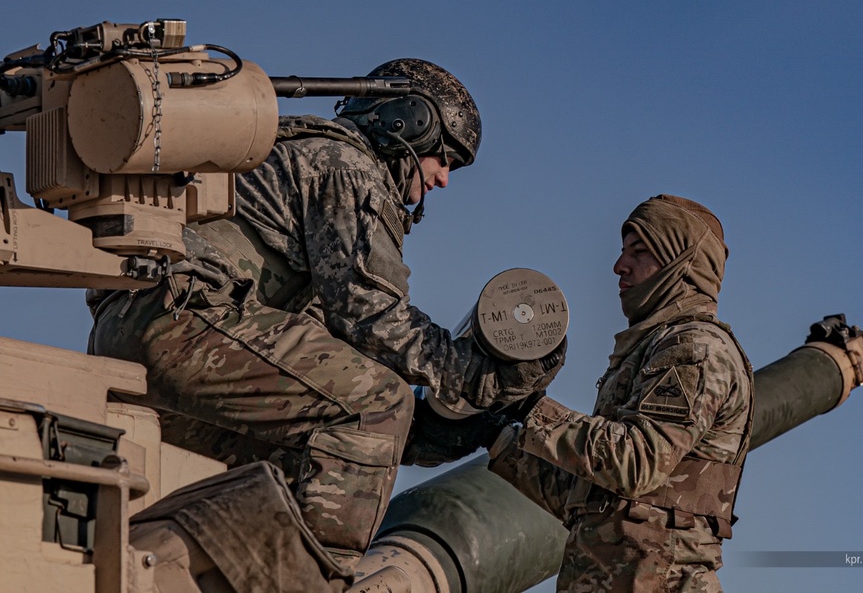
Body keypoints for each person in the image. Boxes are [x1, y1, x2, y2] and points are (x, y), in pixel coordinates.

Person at [86, 58, 564, 590]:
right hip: (186, 321)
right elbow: (370, 314)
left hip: (157, 333)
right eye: (443, 157)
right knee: (377, 402)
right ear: (406, 123)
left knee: (317, 448)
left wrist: (466, 425)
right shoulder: (345, 166)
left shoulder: (309, 172)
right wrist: (474, 375)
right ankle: (320, 581)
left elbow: (351, 405)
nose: (443, 179)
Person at [487, 194, 753, 592]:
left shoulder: (694, 349)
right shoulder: (651, 349)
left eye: (640, 251)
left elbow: (637, 462)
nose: (618, 266)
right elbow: (592, 500)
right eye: (623, 250)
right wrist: (497, 435)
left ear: (681, 264)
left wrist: (532, 409)